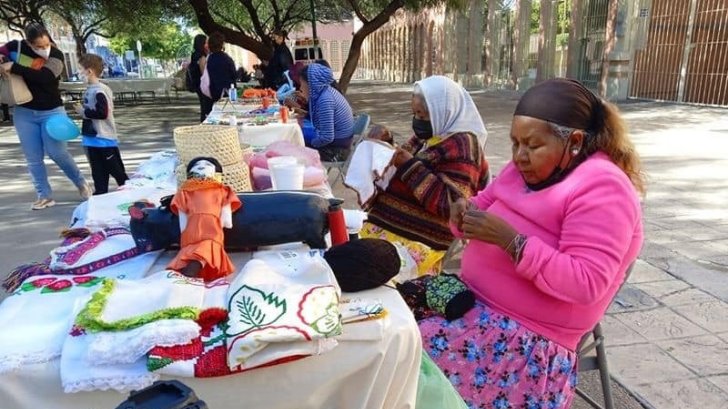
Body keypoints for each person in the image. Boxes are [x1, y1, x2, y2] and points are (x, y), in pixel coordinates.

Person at [419, 78, 644, 408]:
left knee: (407, 373)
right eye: (514, 144)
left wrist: (510, 241)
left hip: (524, 344)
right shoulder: (523, 169)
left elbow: (586, 282)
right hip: (471, 307)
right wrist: (463, 215)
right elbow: (484, 203)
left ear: (575, 142)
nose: (519, 156)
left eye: (532, 146)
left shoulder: (604, 188)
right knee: (389, 339)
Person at [361, 75, 489, 276]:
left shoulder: (464, 146)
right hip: (386, 227)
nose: (418, 122)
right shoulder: (429, 136)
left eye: (423, 116)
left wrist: (408, 165)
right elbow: (400, 160)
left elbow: (453, 205)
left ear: (442, 111)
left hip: (420, 243)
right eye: (415, 115)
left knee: (366, 275)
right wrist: (386, 142)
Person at [0, 22, 90, 210]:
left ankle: (81, 183)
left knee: (57, 152)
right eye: (38, 46)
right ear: (28, 43)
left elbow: (45, 77)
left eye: (46, 44)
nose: (43, 49)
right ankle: (44, 196)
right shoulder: (15, 48)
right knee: (33, 157)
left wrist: (14, 67)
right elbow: (2, 51)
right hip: (24, 111)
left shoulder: (56, 55)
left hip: (51, 111)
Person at [74, 53, 128, 195]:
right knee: (98, 172)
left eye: (80, 69)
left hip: (103, 139)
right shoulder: (90, 90)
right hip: (91, 139)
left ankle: (130, 192)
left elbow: (102, 113)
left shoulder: (99, 91)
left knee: (117, 171)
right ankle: (101, 193)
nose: (79, 73)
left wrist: (83, 112)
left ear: (89, 71)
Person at [298, 63, 354, 161]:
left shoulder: (325, 100)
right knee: (300, 133)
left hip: (337, 150)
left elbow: (327, 137)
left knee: (295, 142)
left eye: (302, 84)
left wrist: (307, 143)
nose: (301, 88)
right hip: (340, 142)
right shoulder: (327, 92)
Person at [200, 32, 236, 120]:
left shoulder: (208, 59)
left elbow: (204, 75)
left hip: (211, 94)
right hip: (226, 95)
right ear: (222, 44)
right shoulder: (227, 59)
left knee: (212, 119)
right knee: (228, 118)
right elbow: (234, 75)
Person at [188, 34, 208, 122]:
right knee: (206, 107)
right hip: (202, 86)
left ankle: (203, 122)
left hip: (196, 84)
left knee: (203, 106)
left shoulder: (194, 55)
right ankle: (205, 124)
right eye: (206, 42)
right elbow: (204, 73)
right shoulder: (201, 57)